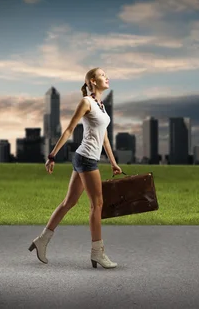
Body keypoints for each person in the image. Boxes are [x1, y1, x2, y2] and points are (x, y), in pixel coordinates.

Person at [28, 67, 122, 269]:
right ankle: (98, 253)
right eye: (103, 75)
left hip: (84, 158)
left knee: (69, 202)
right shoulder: (86, 102)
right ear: (92, 81)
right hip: (86, 158)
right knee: (97, 205)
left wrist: (113, 162)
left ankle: (41, 240)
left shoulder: (101, 106)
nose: (107, 77)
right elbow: (70, 129)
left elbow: (104, 138)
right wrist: (52, 155)